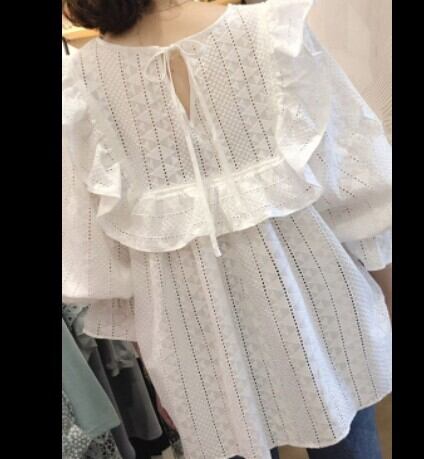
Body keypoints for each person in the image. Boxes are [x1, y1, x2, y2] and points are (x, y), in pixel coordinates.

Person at [62, 1, 392, 458]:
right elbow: (359, 187)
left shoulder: (80, 84)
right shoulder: (270, 32)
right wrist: (385, 294)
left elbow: (103, 261)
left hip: (193, 342)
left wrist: (157, 360)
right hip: (319, 309)